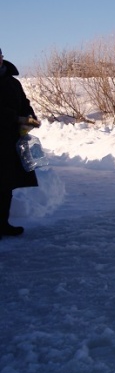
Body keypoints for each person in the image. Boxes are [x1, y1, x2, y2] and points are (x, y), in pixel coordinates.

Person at [0, 48, 40, 238]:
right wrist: (16, 118)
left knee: (5, 185)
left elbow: (24, 102)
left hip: (9, 141)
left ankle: (2, 224)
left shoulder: (12, 82)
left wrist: (30, 116)